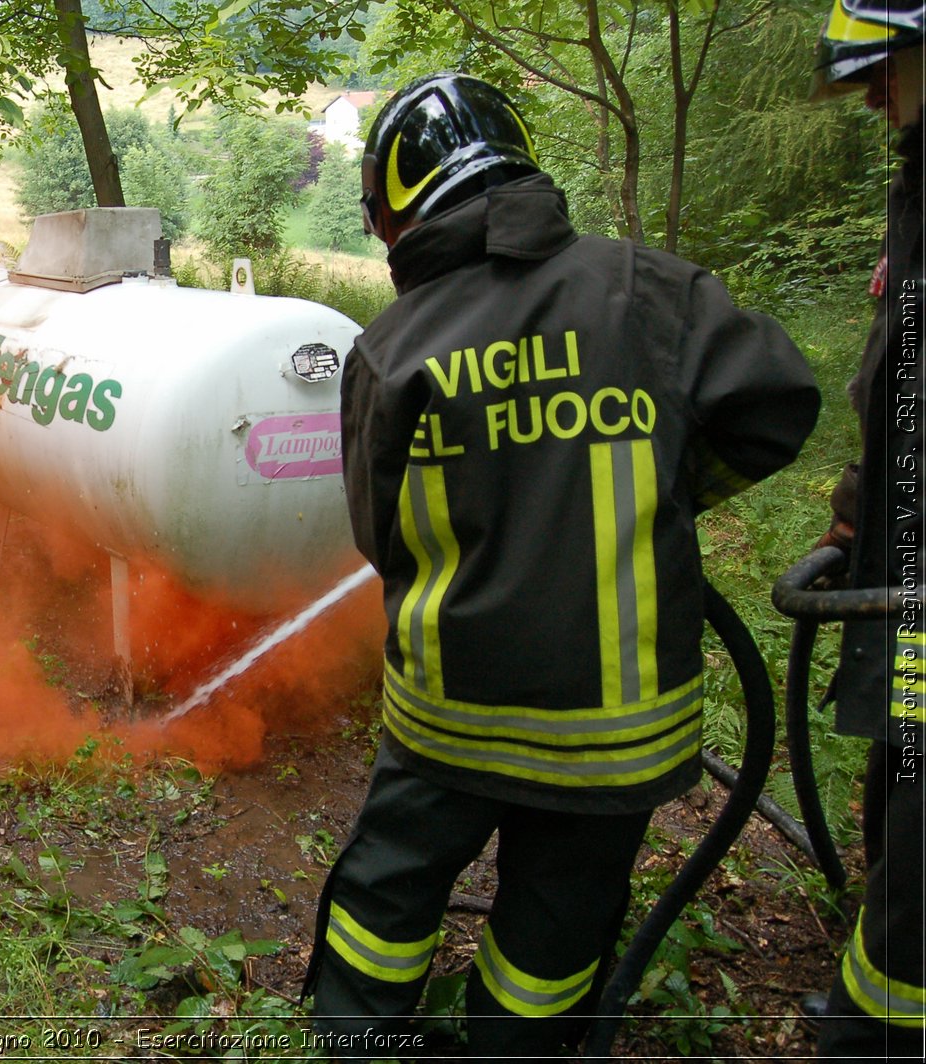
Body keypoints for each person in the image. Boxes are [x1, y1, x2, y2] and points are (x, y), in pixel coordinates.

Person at [303, 73, 821, 1061]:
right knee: (558, 921)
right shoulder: (656, 292)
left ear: (398, 205)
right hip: (617, 735)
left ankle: (359, 1040)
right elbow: (777, 407)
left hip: (452, 719)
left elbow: (381, 533)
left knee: (388, 891)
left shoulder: (393, 346)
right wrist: (654, 492)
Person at [804, 2, 925, 1056]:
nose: (871, 90)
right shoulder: (917, 179)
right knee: (904, 750)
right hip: (904, 539)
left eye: (884, 65)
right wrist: (860, 494)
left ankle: (880, 1027)